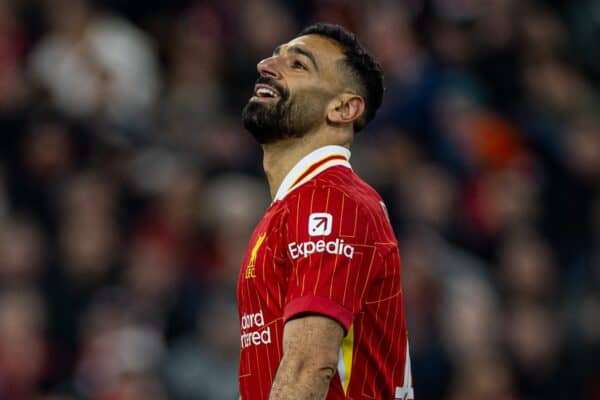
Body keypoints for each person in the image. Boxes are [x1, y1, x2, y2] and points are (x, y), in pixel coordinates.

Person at [238, 23, 413, 399]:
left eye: (298, 64)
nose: (266, 65)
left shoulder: (332, 202)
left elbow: (308, 369)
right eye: (275, 54)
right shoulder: (295, 207)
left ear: (343, 108)